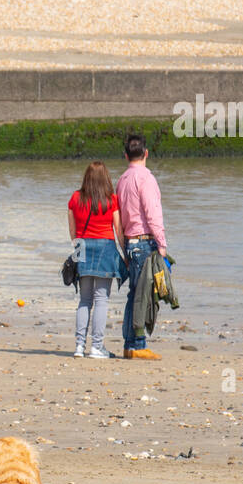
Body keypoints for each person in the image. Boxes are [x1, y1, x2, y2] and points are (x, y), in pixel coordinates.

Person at [115, 133, 168, 360]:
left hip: (130, 242)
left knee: (134, 294)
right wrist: (162, 246)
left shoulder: (122, 180)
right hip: (145, 241)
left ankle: (130, 344)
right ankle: (137, 345)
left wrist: (123, 244)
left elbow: (118, 218)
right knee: (142, 296)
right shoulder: (146, 178)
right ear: (146, 153)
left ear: (126, 155)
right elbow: (153, 214)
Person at [67, 162, 126, 359]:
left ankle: (79, 346)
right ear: (106, 178)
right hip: (105, 247)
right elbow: (118, 230)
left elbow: (73, 232)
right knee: (101, 299)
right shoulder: (112, 199)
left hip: (82, 246)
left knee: (84, 299)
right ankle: (97, 346)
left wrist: (78, 249)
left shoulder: (75, 198)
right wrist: (125, 254)